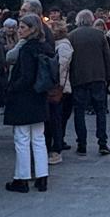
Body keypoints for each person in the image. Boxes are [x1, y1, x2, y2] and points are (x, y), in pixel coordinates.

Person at [4, 13, 54, 193]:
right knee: (39, 139)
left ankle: (22, 178)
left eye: (23, 27)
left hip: (23, 99)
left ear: (32, 29)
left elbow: (26, 77)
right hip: (39, 96)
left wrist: (10, 88)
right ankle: (42, 177)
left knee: (22, 138)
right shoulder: (45, 47)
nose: (19, 30)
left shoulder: (26, 49)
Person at [68, 9, 110, 157]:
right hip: (98, 77)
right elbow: (107, 57)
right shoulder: (100, 35)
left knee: (79, 112)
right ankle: (102, 143)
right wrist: (108, 76)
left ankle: (82, 143)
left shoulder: (72, 36)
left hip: (79, 78)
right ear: (92, 20)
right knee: (100, 111)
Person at [48, 20, 73, 162]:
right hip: (58, 86)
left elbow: (61, 66)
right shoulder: (59, 45)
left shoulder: (63, 46)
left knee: (56, 119)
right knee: (55, 119)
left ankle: (57, 149)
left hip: (60, 87)